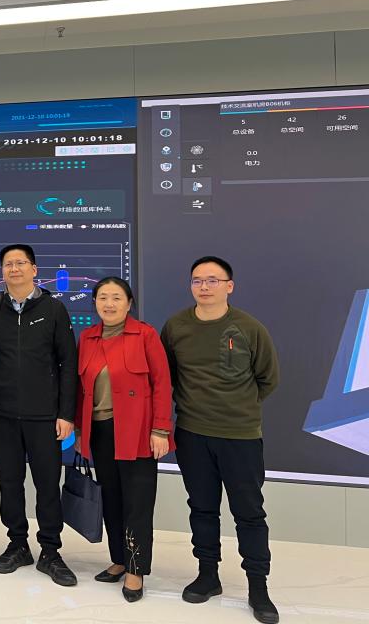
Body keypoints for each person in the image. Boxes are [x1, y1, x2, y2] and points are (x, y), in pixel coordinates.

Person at [161, 256, 280, 624]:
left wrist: (236, 408)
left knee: (249, 512)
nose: (205, 286)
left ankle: (258, 587)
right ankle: (207, 575)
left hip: (240, 436)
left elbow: (268, 378)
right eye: (198, 280)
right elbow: (167, 377)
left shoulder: (249, 328)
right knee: (202, 508)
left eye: (213, 280)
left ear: (229, 286)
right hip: (192, 434)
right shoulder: (176, 326)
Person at [0, 243, 78, 586]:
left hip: (44, 415)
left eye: (20, 263)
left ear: (34, 269)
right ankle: (17, 544)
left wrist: (66, 413)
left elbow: (68, 364)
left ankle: (50, 550)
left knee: (47, 484)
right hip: (0, 414)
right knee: (9, 483)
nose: (14, 269)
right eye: (8, 264)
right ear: (1, 271)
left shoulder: (54, 309)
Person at [74, 277, 173, 603]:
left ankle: (135, 569)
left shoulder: (145, 335)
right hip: (101, 432)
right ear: (95, 303)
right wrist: (80, 431)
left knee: (137, 503)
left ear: (129, 303)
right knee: (112, 499)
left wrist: (161, 429)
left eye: (116, 297)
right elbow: (80, 390)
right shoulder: (87, 337)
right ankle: (118, 559)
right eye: (103, 297)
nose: (109, 303)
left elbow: (162, 384)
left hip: (137, 431)